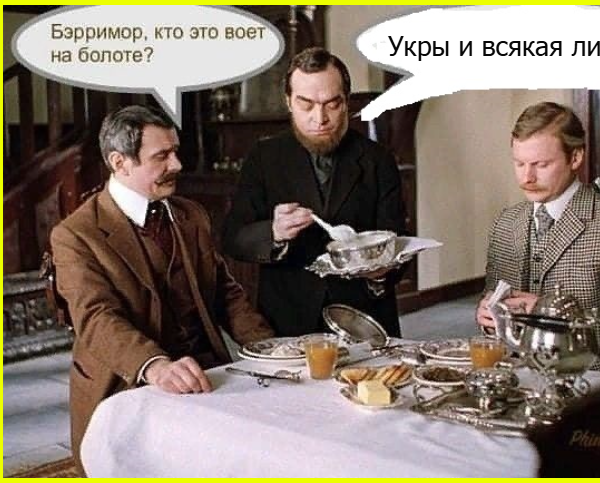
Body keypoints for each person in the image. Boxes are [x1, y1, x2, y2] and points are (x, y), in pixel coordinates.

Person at [51, 105, 274, 473]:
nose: (177, 165)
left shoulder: (191, 214)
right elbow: (96, 318)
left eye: (175, 151)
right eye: (162, 156)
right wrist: (155, 367)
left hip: (206, 373)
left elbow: (225, 293)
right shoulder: (76, 235)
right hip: (128, 384)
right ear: (120, 163)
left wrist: (271, 350)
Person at [222, 47, 407, 337]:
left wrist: (380, 275)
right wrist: (274, 232)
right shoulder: (263, 156)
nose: (319, 118)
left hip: (365, 320)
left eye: (332, 104)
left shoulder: (378, 159)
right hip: (288, 322)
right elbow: (233, 238)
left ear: (346, 101)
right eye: (306, 104)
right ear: (288, 101)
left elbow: (398, 243)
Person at [476, 102, 600, 376]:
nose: (527, 177)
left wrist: (550, 314)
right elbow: (493, 303)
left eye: (541, 165)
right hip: (514, 376)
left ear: (575, 158)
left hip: (592, 379)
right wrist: (487, 317)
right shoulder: (506, 222)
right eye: (519, 163)